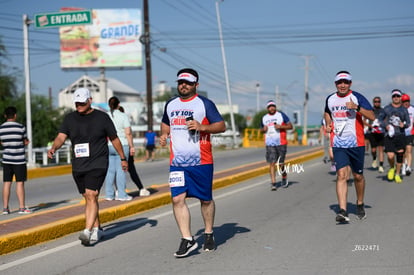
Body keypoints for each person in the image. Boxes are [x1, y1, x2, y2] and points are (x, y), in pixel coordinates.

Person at [47, 88, 128, 246]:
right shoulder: (69, 119)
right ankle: (98, 228)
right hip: (79, 164)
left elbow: (114, 138)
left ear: (90, 100)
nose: (79, 106)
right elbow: (61, 137)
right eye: (77, 103)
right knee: (89, 197)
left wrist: (123, 158)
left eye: (82, 103)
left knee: (92, 194)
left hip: (98, 162)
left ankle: (87, 230)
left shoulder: (102, 118)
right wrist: (54, 148)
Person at [159, 68, 225, 258]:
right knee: (177, 199)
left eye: (187, 82)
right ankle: (187, 239)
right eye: (181, 82)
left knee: (205, 200)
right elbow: (166, 122)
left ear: (196, 85)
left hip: (201, 161)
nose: (183, 85)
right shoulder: (171, 104)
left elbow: (221, 126)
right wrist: (164, 135)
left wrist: (202, 126)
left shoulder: (204, 104)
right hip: (177, 163)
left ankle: (209, 233)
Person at [324, 71, 374, 223]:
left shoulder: (357, 97)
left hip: (356, 143)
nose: (343, 85)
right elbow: (327, 112)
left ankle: (359, 203)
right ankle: (343, 211)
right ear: (336, 84)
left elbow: (372, 116)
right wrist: (328, 124)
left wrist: (357, 108)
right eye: (340, 82)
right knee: (341, 175)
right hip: (338, 142)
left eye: (346, 82)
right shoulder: (330, 99)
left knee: (358, 176)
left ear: (350, 83)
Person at [0, 106, 32, 215]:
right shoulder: (21, 127)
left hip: (7, 160)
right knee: (19, 183)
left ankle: (5, 208)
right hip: (19, 160)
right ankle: (22, 208)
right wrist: (24, 143)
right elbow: (25, 141)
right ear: (15, 115)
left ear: (5, 116)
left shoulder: (1, 128)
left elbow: (2, 142)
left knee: (6, 183)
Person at [104, 97, 134, 201]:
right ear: (118, 104)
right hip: (122, 145)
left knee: (110, 171)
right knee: (122, 170)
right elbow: (128, 133)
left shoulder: (105, 116)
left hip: (109, 145)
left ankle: (109, 194)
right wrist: (131, 146)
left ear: (109, 105)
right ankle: (122, 195)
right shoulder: (123, 116)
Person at [378, 89, 410, 183]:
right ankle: (392, 167)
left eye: (397, 96)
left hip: (400, 135)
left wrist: (403, 125)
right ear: (392, 98)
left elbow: (408, 122)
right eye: (394, 96)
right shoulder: (387, 108)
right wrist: (385, 126)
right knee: (390, 156)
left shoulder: (404, 109)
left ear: (400, 98)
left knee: (400, 155)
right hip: (389, 135)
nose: (396, 98)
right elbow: (380, 119)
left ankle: (397, 174)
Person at [261, 100, 293, 190]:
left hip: (281, 142)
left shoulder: (281, 115)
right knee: (272, 163)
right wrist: (263, 129)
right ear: (267, 108)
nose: (272, 108)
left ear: (275, 107)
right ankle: (273, 183)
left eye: (273, 106)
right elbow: (260, 129)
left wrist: (281, 127)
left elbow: (290, 126)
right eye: (270, 107)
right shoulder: (264, 118)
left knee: (280, 163)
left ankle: (284, 176)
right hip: (269, 143)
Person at [119, 106, 150, 196]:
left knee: (117, 171)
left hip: (114, 148)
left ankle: (118, 190)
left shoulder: (112, 121)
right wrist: (131, 147)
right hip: (125, 147)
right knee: (131, 169)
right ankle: (141, 188)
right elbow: (129, 134)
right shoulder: (124, 121)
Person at [365, 97, 385, 173]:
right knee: (373, 150)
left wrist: (383, 125)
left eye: (378, 101)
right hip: (372, 132)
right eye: (375, 101)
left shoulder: (383, 111)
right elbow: (364, 121)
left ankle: (381, 165)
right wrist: (370, 126)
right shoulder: (370, 111)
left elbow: (386, 119)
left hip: (381, 132)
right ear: (373, 102)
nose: (377, 103)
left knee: (380, 149)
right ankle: (374, 158)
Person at [401, 93, 414, 176]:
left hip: (410, 132)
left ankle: (408, 167)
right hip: (401, 133)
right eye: (404, 101)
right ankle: (403, 165)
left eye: (407, 101)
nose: (406, 103)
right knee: (402, 152)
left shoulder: (412, 109)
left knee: (409, 150)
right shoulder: (399, 109)